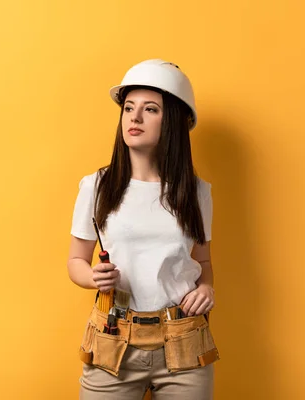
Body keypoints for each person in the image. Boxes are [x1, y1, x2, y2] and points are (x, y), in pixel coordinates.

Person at [67, 59, 219, 400]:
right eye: (129, 108)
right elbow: (76, 260)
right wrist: (93, 277)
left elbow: (203, 263)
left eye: (150, 109)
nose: (134, 118)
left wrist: (207, 288)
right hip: (112, 335)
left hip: (184, 336)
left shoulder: (197, 192)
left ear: (174, 123)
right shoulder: (97, 186)